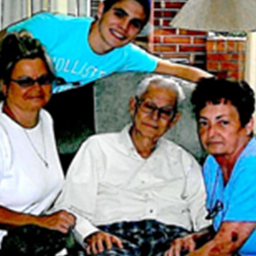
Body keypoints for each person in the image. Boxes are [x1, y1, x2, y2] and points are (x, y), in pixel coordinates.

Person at [53, 75, 210, 255]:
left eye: (165, 112)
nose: (154, 117)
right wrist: (91, 234)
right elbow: (71, 207)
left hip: (173, 240)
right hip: (115, 238)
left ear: (174, 120)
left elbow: (204, 216)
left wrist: (194, 238)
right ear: (133, 106)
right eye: (149, 107)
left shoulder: (184, 160)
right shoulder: (97, 148)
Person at [3, 0, 212, 93]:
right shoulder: (52, 27)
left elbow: (180, 70)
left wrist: (226, 91)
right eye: (119, 14)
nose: (124, 27)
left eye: (134, 23)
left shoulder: (125, 55)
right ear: (102, 9)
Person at [0, 31, 76, 248]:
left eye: (44, 80)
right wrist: (40, 222)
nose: (37, 89)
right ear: (4, 86)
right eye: (25, 82)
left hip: (36, 244)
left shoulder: (45, 119)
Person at [165, 78, 256, 256]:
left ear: (247, 125)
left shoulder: (253, 164)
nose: (211, 133)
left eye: (223, 122)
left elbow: (228, 242)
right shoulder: (213, 164)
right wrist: (195, 238)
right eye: (204, 123)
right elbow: (225, 227)